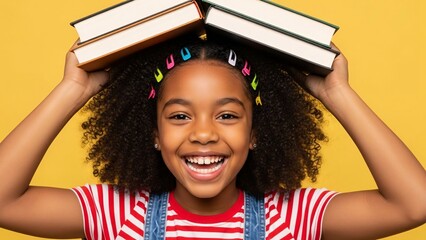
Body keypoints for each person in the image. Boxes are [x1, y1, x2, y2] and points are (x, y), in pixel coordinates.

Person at [0, 34, 425, 240]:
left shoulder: (292, 218)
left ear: (256, 133)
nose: (203, 134)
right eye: (180, 115)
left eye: (226, 114)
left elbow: (414, 203)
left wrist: (337, 93)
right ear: (153, 133)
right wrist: (73, 89)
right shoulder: (117, 214)